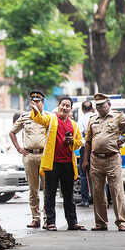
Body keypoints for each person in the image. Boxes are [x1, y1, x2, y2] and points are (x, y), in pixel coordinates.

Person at [82, 93, 125, 232]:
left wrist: (124, 139)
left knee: (117, 191)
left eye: (102, 105)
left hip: (112, 158)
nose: (99, 108)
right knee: (97, 192)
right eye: (97, 106)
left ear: (109, 104)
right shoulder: (92, 119)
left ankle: (122, 222)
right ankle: (101, 223)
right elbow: (88, 141)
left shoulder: (118, 116)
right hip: (95, 159)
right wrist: (85, 160)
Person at [31, 96, 85, 231]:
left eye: (67, 106)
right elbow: (39, 119)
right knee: (50, 194)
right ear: (58, 106)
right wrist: (36, 110)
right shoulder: (51, 118)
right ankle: (50, 222)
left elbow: (79, 142)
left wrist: (71, 141)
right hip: (52, 163)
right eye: (63, 105)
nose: (65, 108)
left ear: (71, 109)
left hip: (68, 164)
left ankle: (72, 223)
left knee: (69, 195)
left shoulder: (73, 124)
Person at [9, 90, 47, 229]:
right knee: (33, 190)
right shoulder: (25, 117)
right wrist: (19, 148)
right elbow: (12, 132)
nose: (35, 103)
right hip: (29, 156)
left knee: (48, 189)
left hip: (44, 156)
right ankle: (35, 218)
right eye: (33, 101)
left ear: (43, 103)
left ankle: (47, 218)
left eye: (38, 101)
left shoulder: (48, 117)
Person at [77, 101, 95, 207]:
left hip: (85, 148)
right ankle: (101, 199)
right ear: (92, 108)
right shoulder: (96, 117)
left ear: (82, 109)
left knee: (83, 175)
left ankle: (85, 200)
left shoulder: (82, 119)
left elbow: (80, 136)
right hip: (97, 148)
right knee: (99, 175)